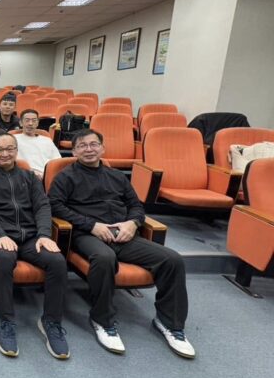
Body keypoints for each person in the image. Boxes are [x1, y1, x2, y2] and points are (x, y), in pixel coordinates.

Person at [48, 129, 195, 359]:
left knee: (172, 260)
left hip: (122, 233)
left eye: (94, 144)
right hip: (86, 234)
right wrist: (91, 225)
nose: (89, 149)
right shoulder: (65, 177)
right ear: (74, 151)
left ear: (102, 148)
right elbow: (56, 206)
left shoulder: (117, 176)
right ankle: (103, 320)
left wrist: (133, 223)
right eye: (82, 146)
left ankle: (170, 323)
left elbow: (136, 206)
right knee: (104, 258)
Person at [0, 134, 69, 360]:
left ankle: (51, 322)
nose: (4, 154)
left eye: (9, 149)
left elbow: (42, 206)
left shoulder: (30, 177)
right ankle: (6, 321)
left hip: (31, 237)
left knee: (57, 261)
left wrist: (44, 235)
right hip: (1, 236)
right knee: (5, 259)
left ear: (17, 151)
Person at [15, 109, 60, 179]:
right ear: (21, 123)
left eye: (34, 120)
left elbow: (57, 161)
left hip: (47, 176)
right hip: (24, 176)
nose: (30, 123)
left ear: (37, 123)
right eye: (27, 120)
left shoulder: (47, 140)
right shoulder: (13, 139)